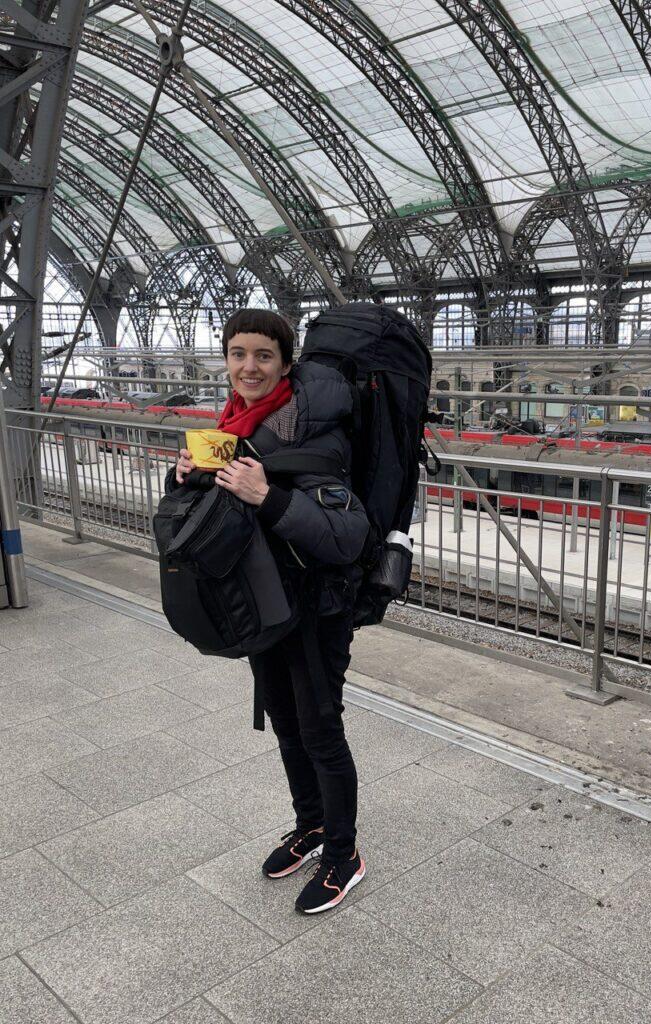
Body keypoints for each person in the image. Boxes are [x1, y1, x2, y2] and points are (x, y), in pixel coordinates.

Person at [175, 308, 370, 914]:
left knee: (321, 731)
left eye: (263, 355)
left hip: (315, 608)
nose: (248, 367)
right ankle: (310, 827)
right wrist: (186, 479)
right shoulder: (234, 424)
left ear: (287, 363)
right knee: (286, 723)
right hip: (263, 604)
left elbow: (346, 538)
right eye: (238, 354)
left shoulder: (317, 432)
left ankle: (344, 855)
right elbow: (222, 516)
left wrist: (270, 495)